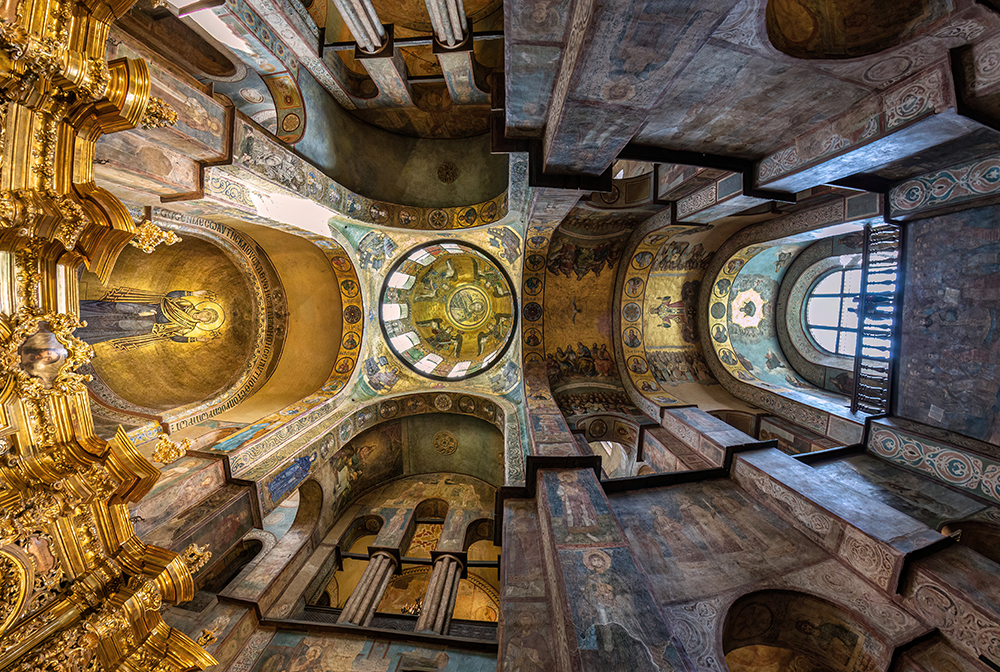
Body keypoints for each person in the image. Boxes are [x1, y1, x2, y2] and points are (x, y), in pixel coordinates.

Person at [78, 287, 224, 350]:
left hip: (147, 325)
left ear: (204, 322)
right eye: (207, 314)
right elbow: (171, 296)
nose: (204, 317)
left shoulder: (188, 326)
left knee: (117, 325)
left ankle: (81, 331)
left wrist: (195, 339)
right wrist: (192, 293)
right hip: (149, 310)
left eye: (207, 319)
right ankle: (80, 310)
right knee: (116, 308)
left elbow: (174, 336)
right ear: (204, 309)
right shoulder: (187, 304)